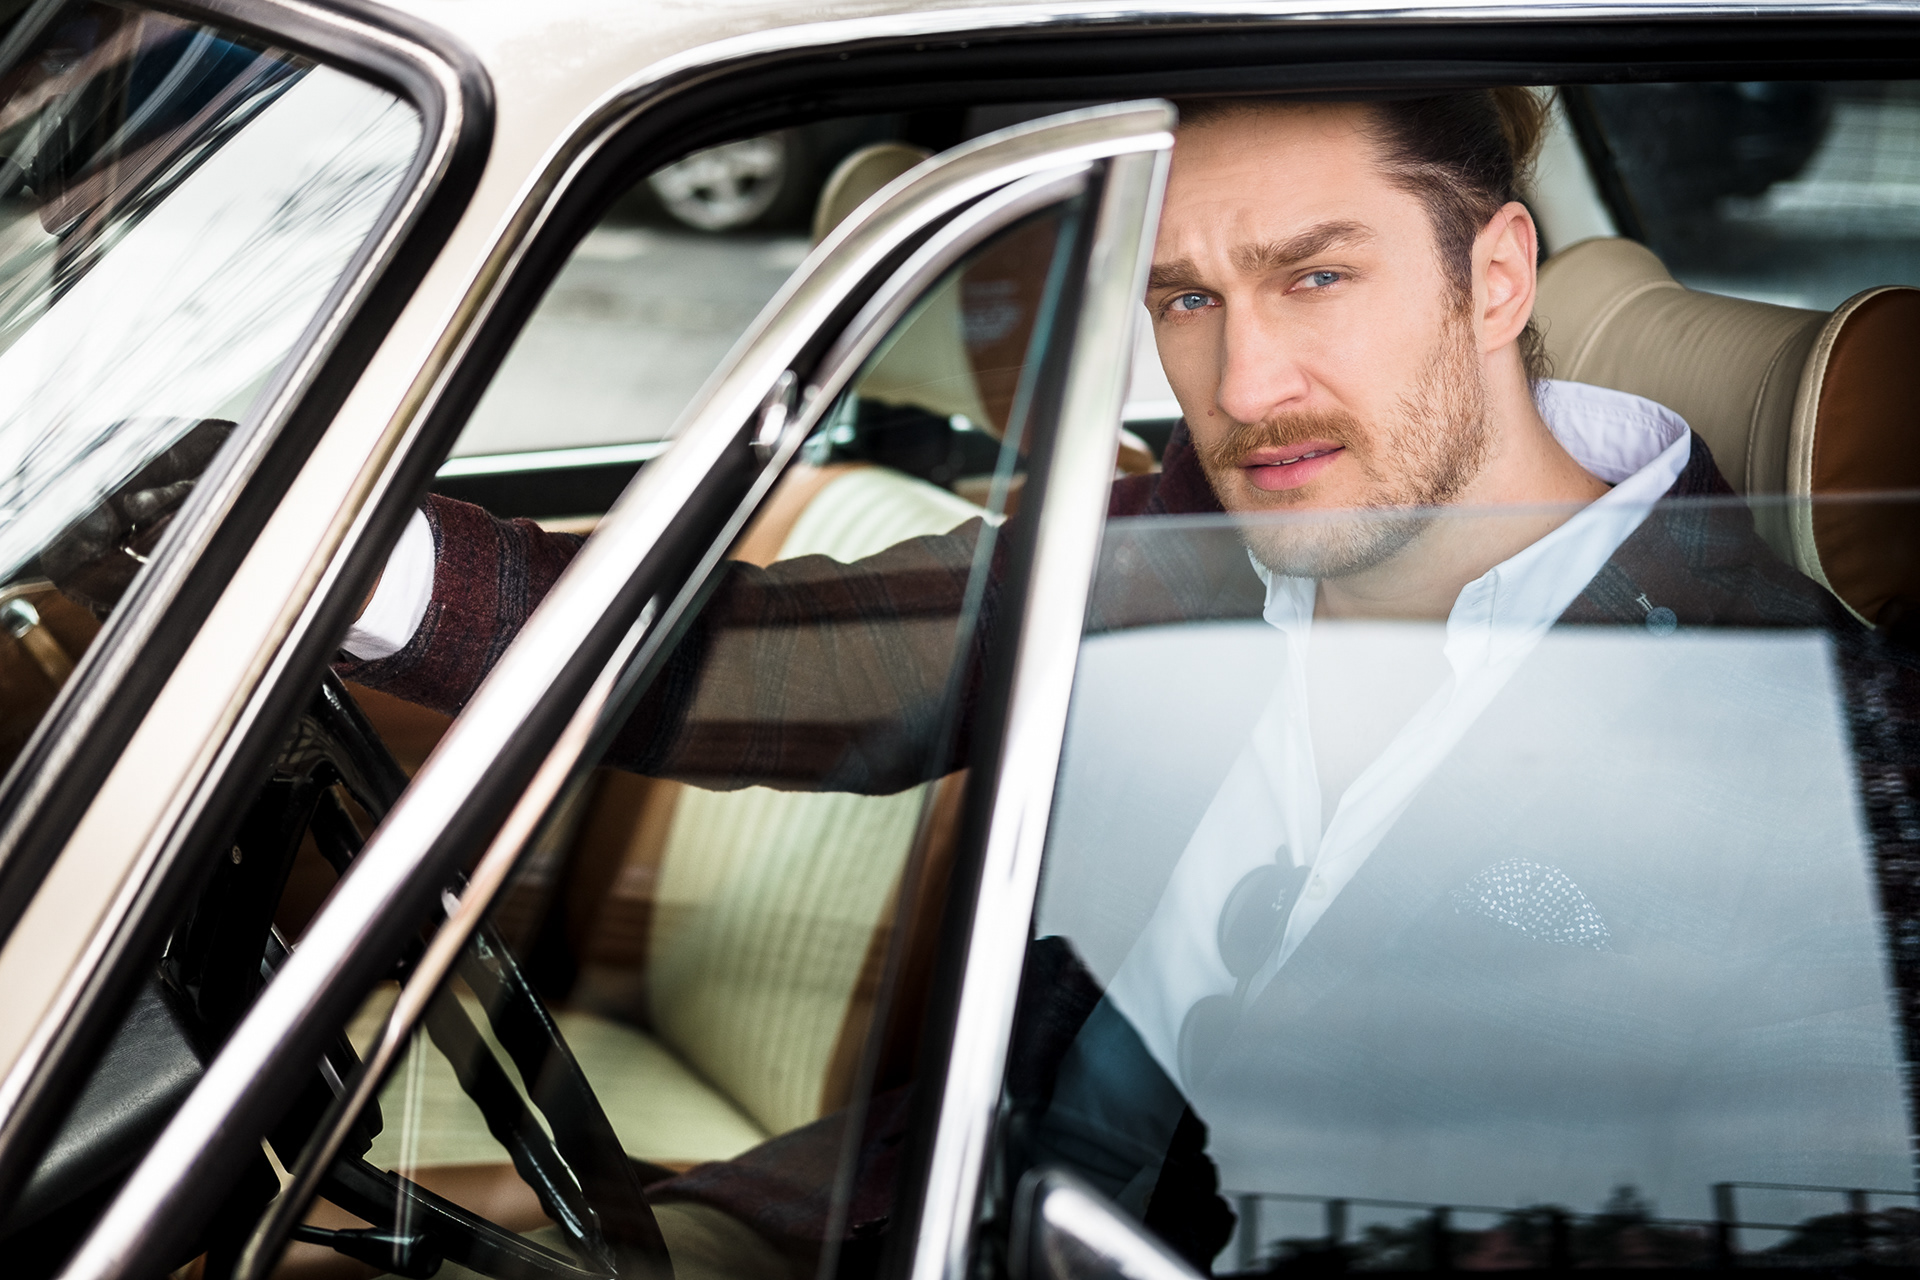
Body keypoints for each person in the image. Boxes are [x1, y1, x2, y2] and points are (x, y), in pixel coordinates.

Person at [48, 88, 1920, 1272]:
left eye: (1315, 277)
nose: (1244, 384)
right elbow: (763, 658)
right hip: (908, 1209)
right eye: (1185, 297)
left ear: (1497, 276)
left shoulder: (1797, 731)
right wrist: (327, 552)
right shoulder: (1186, 537)